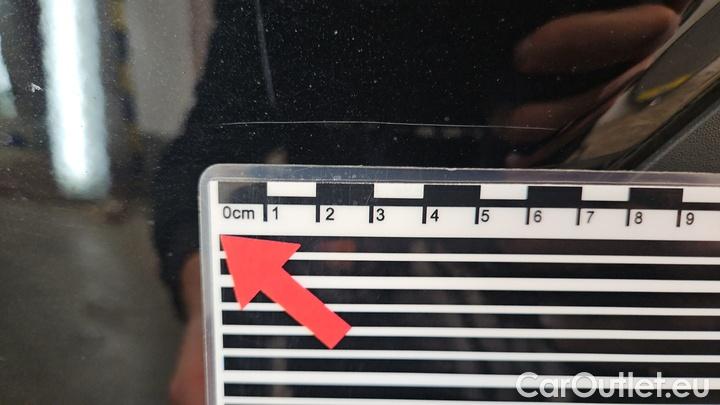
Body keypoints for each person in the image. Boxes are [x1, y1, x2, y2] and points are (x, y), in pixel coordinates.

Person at [152, 1, 685, 403]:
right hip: (343, 312)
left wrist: (656, 115)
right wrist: (207, 305)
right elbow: (204, 151)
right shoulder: (278, 16)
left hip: (549, 306)